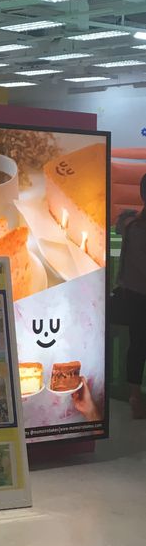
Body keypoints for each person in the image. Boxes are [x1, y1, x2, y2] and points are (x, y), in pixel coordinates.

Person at [115, 175, 146, 418]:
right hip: (138, 294)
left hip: (133, 295)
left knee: (137, 345)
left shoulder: (129, 224)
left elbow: (119, 223)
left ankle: (135, 396)